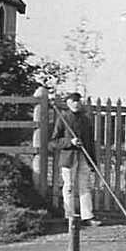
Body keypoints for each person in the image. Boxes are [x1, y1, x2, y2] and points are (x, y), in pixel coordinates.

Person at [50, 92, 100, 226]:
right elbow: (54, 142)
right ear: (68, 103)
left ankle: (87, 217)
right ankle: (70, 216)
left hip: (83, 156)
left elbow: (90, 142)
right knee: (69, 187)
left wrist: (92, 162)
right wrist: (70, 142)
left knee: (85, 186)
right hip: (69, 157)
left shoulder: (86, 120)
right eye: (73, 101)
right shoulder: (63, 118)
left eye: (78, 101)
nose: (76, 104)